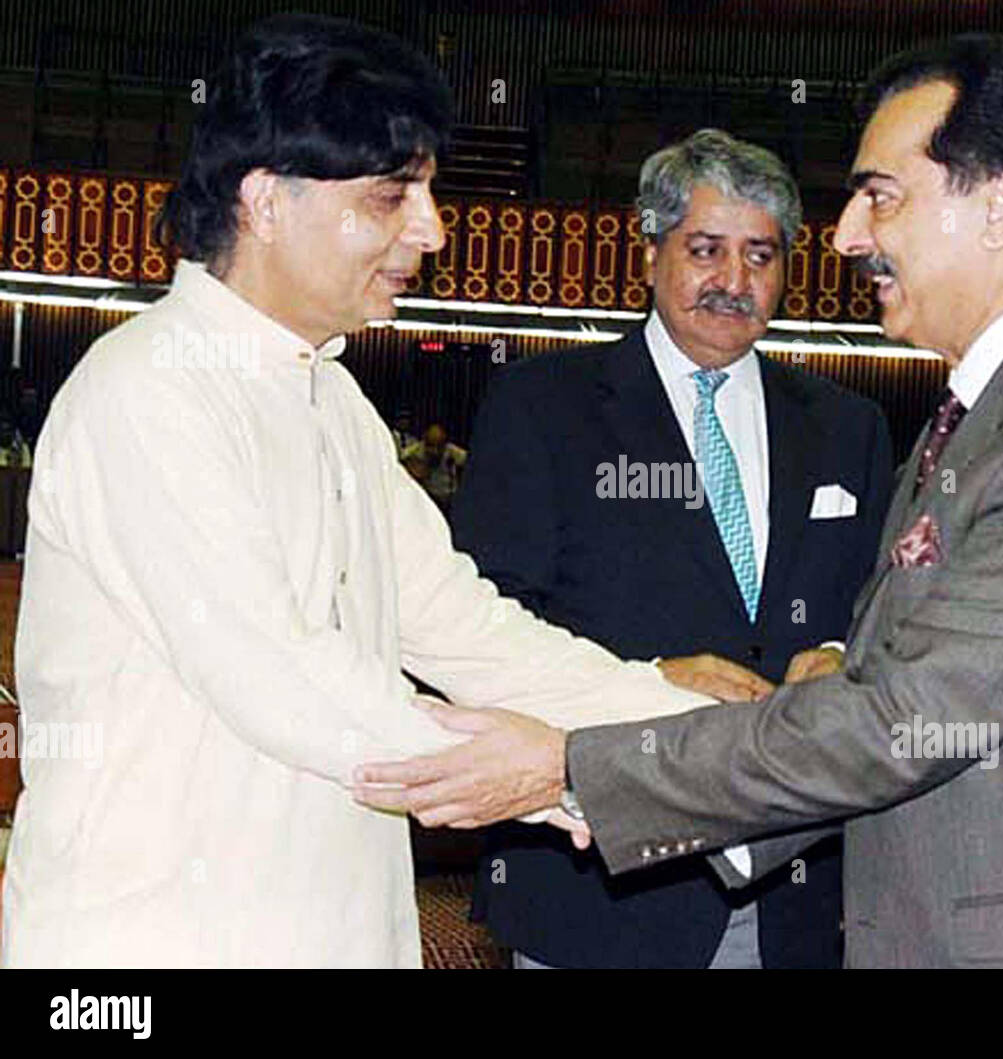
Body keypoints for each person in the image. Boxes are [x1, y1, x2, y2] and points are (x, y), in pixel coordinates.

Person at [356, 34, 1003, 968]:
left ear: (1002, 207)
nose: (847, 235)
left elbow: (901, 719)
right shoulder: (998, 415)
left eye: (880, 195)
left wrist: (571, 765)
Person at [1, 13, 713, 969]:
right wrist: (574, 775)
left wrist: (689, 727)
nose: (432, 228)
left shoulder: (332, 399)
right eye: (391, 197)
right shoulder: (146, 388)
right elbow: (287, 681)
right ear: (264, 199)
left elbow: (465, 630)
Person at [453, 129, 892, 969]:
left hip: (795, 902)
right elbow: (484, 630)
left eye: (761, 255)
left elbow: (884, 609)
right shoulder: (543, 409)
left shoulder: (849, 427)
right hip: (602, 889)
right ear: (649, 250)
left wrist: (840, 651)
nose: (734, 281)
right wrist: (642, 681)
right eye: (706, 250)